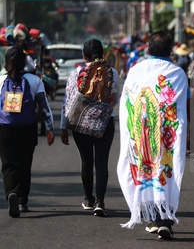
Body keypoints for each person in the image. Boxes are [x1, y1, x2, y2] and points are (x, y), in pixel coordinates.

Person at [117, 31, 188, 240]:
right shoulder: (178, 73)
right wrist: (188, 134)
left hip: (141, 136)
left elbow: (126, 103)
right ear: (170, 49)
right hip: (168, 135)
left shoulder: (135, 70)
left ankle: (155, 219)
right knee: (166, 172)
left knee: (147, 173)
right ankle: (163, 219)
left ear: (148, 49)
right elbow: (185, 107)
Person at [60, 39, 120, 217]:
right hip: (105, 122)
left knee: (86, 161)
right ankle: (100, 202)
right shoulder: (112, 72)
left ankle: (89, 199)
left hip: (80, 123)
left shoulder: (76, 72)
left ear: (84, 55)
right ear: (103, 54)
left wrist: (64, 126)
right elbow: (115, 98)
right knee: (102, 162)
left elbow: (68, 100)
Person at [0, 47, 55, 217]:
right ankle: (22, 201)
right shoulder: (34, 80)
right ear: (25, 62)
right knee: (25, 164)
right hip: (28, 129)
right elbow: (44, 106)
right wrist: (50, 128)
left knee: (9, 165)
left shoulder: (1, 80)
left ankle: (11, 193)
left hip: (5, 129)